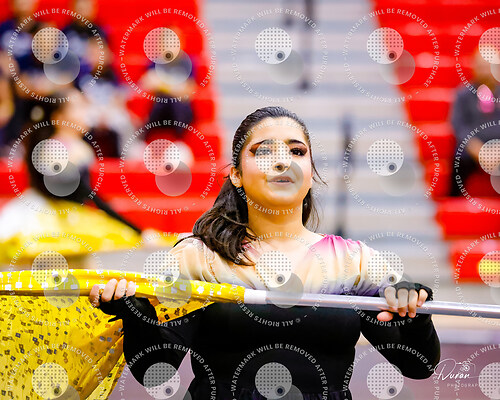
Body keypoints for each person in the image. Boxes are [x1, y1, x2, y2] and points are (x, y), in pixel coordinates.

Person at [89, 106, 440, 399]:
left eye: (296, 151)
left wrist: (415, 314)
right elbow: (156, 370)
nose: (283, 162)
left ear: (311, 173)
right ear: (236, 175)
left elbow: (418, 364)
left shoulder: (354, 261)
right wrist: (135, 313)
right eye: (264, 151)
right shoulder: (198, 257)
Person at [450, 48, 500, 196]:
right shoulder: (463, 95)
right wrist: (478, 150)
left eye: (488, 66)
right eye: (481, 66)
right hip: (471, 149)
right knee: (458, 162)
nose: (484, 71)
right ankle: (454, 203)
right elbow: (458, 125)